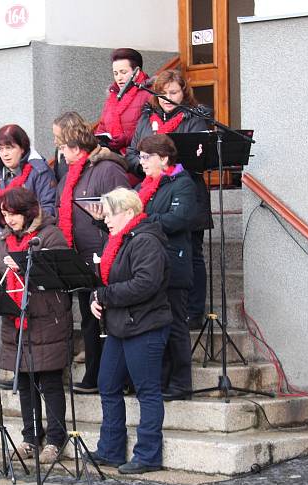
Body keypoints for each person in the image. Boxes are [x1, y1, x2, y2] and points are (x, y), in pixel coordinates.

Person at [0, 188, 71, 463]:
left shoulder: (51, 235)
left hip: (46, 318)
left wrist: (22, 267)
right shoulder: (4, 239)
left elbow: (58, 274)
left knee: (50, 382)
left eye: (13, 214)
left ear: (28, 211)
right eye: (4, 215)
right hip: (15, 319)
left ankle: (56, 439)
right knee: (25, 382)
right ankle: (30, 437)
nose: (8, 220)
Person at [88, 188, 172, 474]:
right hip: (121, 325)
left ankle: (148, 455)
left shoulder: (146, 240)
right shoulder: (121, 241)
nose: (106, 220)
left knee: (147, 391)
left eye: (110, 214)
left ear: (128, 212)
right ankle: (111, 449)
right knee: (107, 383)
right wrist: (95, 299)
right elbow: (104, 282)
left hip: (145, 325)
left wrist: (105, 296)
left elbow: (145, 284)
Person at [126, 69, 213, 327]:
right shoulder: (146, 120)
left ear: (183, 93)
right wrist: (145, 164)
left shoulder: (193, 119)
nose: (167, 98)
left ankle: (194, 311)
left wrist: (165, 162)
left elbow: (200, 158)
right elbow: (131, 152)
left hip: (186, 193)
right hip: (152, 192)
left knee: (193, 255)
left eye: (173, 92)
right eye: (162, 93)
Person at [53, 112, 130, 394]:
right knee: (88, 318)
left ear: (75, 147)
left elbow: (124, 208)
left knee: (107, 318)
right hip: (80, 256)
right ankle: (94, 374)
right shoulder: (71, 174)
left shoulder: (107, 169)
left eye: (61, 147)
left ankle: (116, 377)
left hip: (105, 253)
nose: (59, 153)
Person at [135, 134, 198, 401]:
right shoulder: (145, 186)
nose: (142, 162)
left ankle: (181, 383)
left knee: (175, 327)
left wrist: (143, 219)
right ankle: (160, 380)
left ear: (164, 158)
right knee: (156, 326)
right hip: (151, 264)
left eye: (147, 157)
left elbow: (177, 219)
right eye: (140, 157)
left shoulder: (182, 184)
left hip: (174, 263)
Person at [0, 123, 56, 216]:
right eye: (1, 149)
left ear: (22, 148)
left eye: (9, 148)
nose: (4, 154)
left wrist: (25, 222)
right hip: (1, 229)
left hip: (33, 228)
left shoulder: (39, 170)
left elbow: (49, 208)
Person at [94, 48, 152, 157]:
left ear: (137, 72)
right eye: (115, 73)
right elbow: (102, 126)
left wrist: (126, 138)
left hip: (139, 158)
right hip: (114, 156)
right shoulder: (112, 97)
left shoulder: (149, 94)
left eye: (123, 72)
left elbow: (152, 129)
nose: (119, 78)